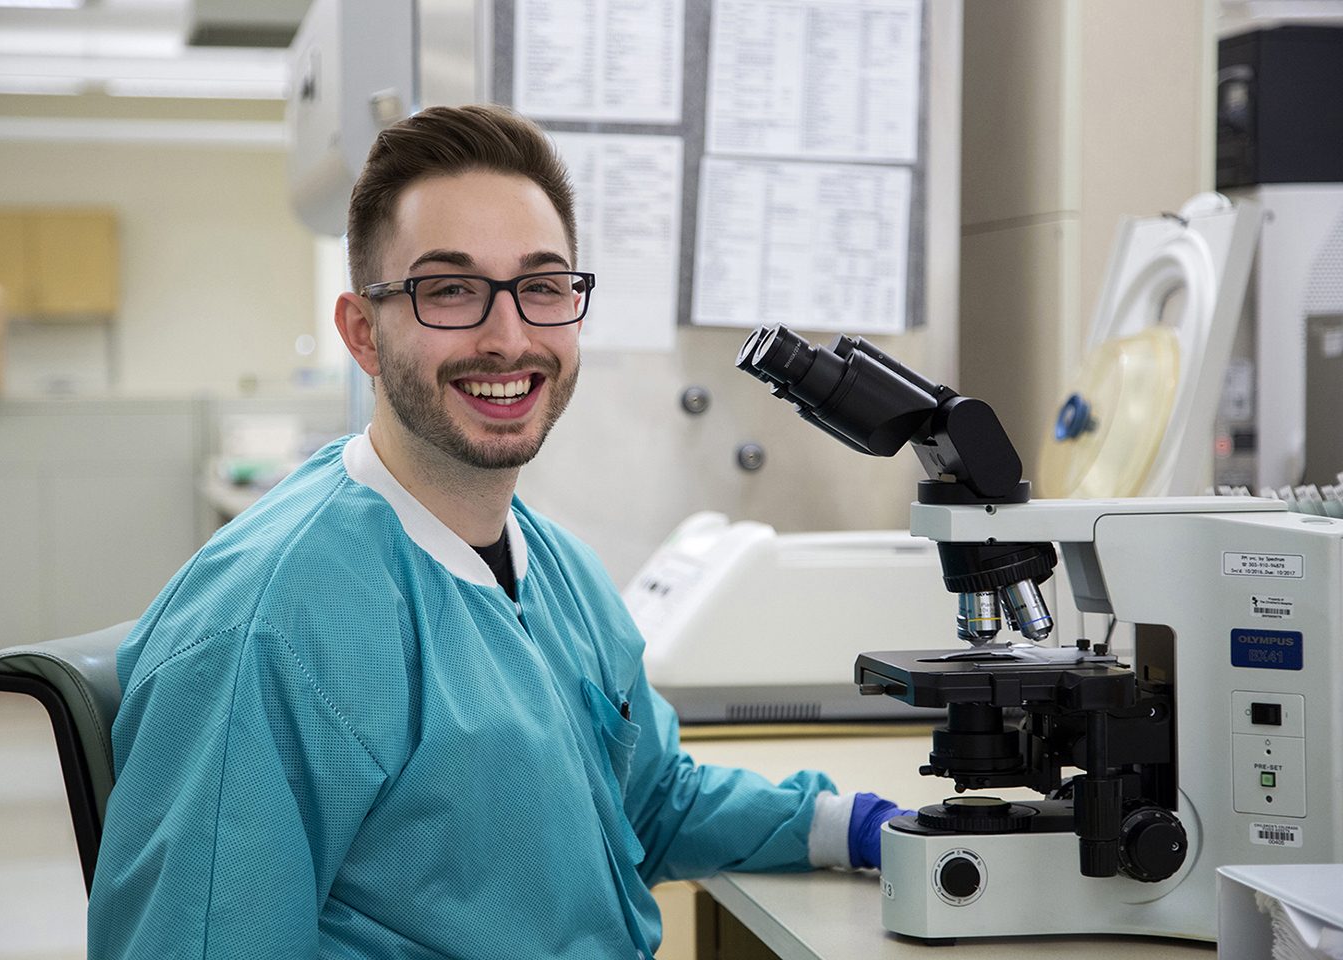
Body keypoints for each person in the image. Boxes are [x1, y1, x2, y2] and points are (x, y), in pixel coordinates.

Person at [87, 103, 908, 959]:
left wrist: (843, 824)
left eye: (543, 287)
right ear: (363, 334)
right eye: (450, 290)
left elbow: (646, 802)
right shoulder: (272, 631)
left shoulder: (557, 567)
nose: (509, 337)